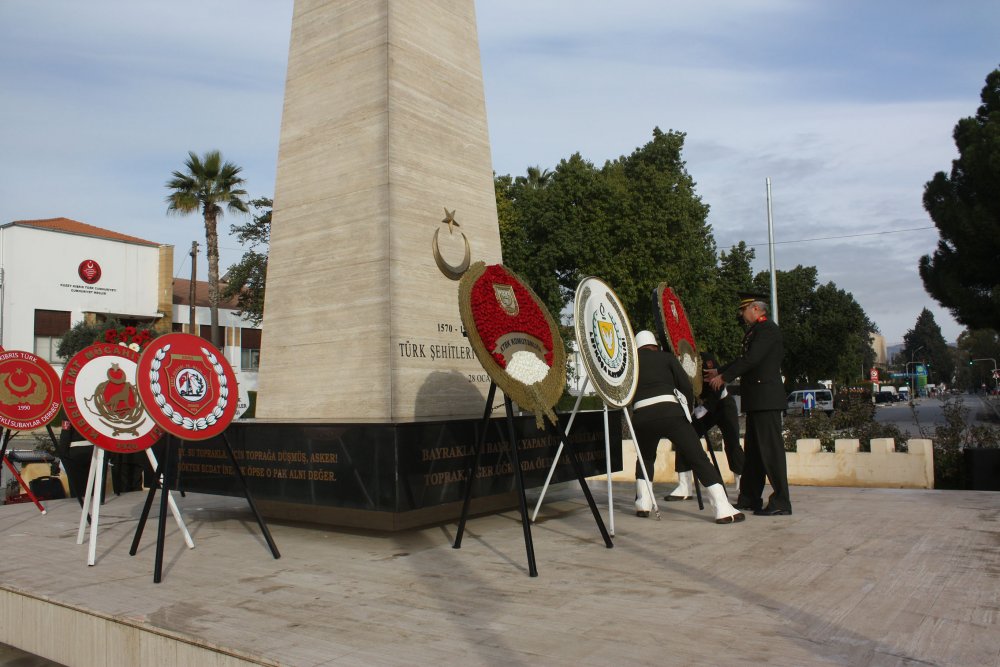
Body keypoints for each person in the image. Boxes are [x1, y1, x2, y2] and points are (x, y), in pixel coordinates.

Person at [630, 330, 744, 524]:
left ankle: (643, 503)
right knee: (698, 457)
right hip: (670, 412)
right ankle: (722, 507)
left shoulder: (631, 364)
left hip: (641, 416)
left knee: (645, 458)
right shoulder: (666, 358)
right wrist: (688, 411)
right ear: (655, 346)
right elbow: (684, 386)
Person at [705, 292, 791, 516]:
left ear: (755, 309)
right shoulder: (757, 331)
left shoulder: (767, 330)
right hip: (757, 400)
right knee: (753, 453)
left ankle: (781, 501)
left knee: (771, 452)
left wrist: (723, 378)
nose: (741, 315)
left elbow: (752, 359)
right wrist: (720, 370)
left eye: (743, 310)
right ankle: (749, 497)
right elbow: (744, 359)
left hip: (766, 399)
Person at [666, 350, 745, 501]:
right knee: (684, 438)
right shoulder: (674, 363)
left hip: (721, 404)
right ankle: (684, 487)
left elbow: (718, 383)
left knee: (732, 444)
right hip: (701, 407)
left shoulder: (704, 359)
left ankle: (743, 486)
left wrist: (706, 407)